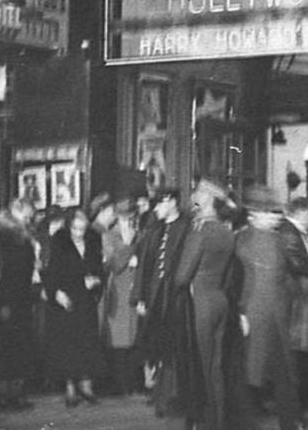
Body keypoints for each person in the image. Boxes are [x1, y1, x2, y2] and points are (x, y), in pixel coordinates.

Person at [174, 179, 240, 430]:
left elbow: (182, 276)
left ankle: (200, 423)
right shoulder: (226, 232)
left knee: (199, 366)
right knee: (215, 367)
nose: (193, 197)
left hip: (199, 301)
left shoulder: (199, 231)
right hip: (219, 300)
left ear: (209, 199)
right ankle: (217, 423)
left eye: (198, 193)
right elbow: (228, 275)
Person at [235, 199, 302, 430]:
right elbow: (236, 279)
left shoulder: (274, 239)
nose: (276, 217)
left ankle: (289, 422)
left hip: (274, 315)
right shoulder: (243, 240)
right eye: (270, 213)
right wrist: (240, 311)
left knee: (281, 371)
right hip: (254, 314)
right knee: (250, 371)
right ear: (254, 214)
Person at [131, 187, 195, 418]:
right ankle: (160, 395)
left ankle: (170, 398)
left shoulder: (187, 228)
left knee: (173, 348)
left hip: (175, 298)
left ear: (171, 202)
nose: (156, 209)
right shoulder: (153, 229)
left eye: (159, 204)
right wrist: (139, 297)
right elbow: (143, 266)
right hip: (153, 297)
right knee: (155, 346)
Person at [44, 207, 109, 408]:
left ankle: (87, 386)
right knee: (68, 343)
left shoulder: (92, 239)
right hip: (67, 299)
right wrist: (56, 292)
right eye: (76, 229)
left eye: (83, 229)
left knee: (88, 342)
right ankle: (70, 388)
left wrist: (96, 279)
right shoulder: (59, 240)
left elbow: (98, 266)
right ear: (69, 226)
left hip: (86, 300)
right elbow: (53, 270)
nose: (79, 233)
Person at [0, 198, 38, 409]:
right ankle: (6, 393)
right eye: (27, 215)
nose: (29, 219)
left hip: (18, 298)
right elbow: (5, 271)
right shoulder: (6, 237)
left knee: (13, 347)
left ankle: (10, 392)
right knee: (8, 347)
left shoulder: (14, 236)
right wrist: (4, 302)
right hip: (8, 300)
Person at [278, 197, 308, 409]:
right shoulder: (290, 231)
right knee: (300, 351)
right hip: (299, 297)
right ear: (301, 212)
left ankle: (306, 396)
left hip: (303, 296)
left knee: (305, 351)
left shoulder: (296, 231)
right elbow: (296, 261)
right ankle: (302, 398)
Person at [102, 191, 143, 396]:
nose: (130, 222)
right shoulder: (109, 237)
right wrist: (128, 247)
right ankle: (120, 384)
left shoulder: (138, 235)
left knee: (133, 338)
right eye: (126, 218)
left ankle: (131, 382)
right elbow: (116, 265)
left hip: (134, 291)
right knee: (119, 339)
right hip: (117, 292)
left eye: (132, 217)